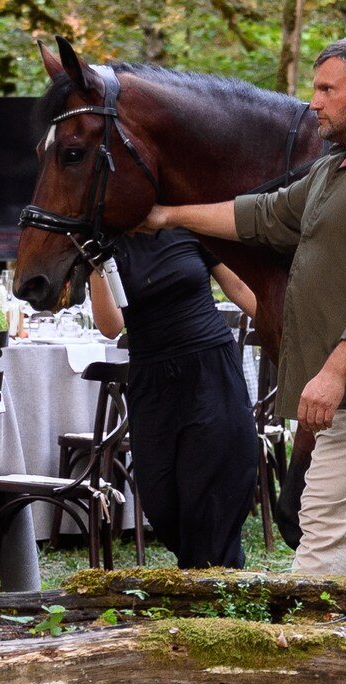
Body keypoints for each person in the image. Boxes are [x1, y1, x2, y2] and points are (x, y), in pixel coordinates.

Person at [144, 39, 346, 576]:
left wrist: (333, 375)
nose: (315, 102)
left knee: (319, 543)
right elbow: (262, 216)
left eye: (328, 89)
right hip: (343, 397)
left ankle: (297, 632)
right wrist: (170, 215)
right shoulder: (334, 171)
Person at [85, 232, 260, 567]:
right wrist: (96, 265)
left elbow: (238, 288)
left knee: (212, 488)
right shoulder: (108, 244)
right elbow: (111, 326)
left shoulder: (187, 226)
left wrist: (287, 334)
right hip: (150, 378)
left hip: (210, 366)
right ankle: (207, 570)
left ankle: (214, 578)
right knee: (159, 500)